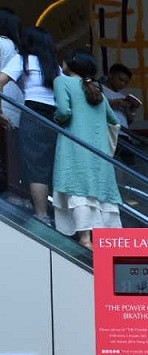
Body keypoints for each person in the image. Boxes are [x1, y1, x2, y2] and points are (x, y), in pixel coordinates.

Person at [51, 49, 121, 250]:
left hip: (74, 145)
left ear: (70, 64)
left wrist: (57, 119)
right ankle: (104, 242)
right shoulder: (96, 90)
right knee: (99, 191)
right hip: (99, 153)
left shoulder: (62, 81)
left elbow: (63, 111)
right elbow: (114, 121)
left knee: (78, 188)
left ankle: (85, 239)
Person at [17, 25, 59, 222]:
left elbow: (1, 79)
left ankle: (41, 215)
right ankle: (58, 215)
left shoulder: (23, 60)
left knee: (36, 166)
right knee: (51, 166)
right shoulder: (55, 66)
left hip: (33, 113)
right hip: (55, 118)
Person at [0, 8, 22, 192]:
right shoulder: (15, 48)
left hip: (3, 104)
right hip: (14, 105)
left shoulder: (1, 43)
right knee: (9, 155)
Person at [100, 63, 139, 128]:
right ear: (110, 75)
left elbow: (128, 121)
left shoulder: (123, 97)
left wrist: (132, 111)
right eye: (121, 80)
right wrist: (112, 103)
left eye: (126, 83)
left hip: (123, 132)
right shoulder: (98, 88)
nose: (123, 84)